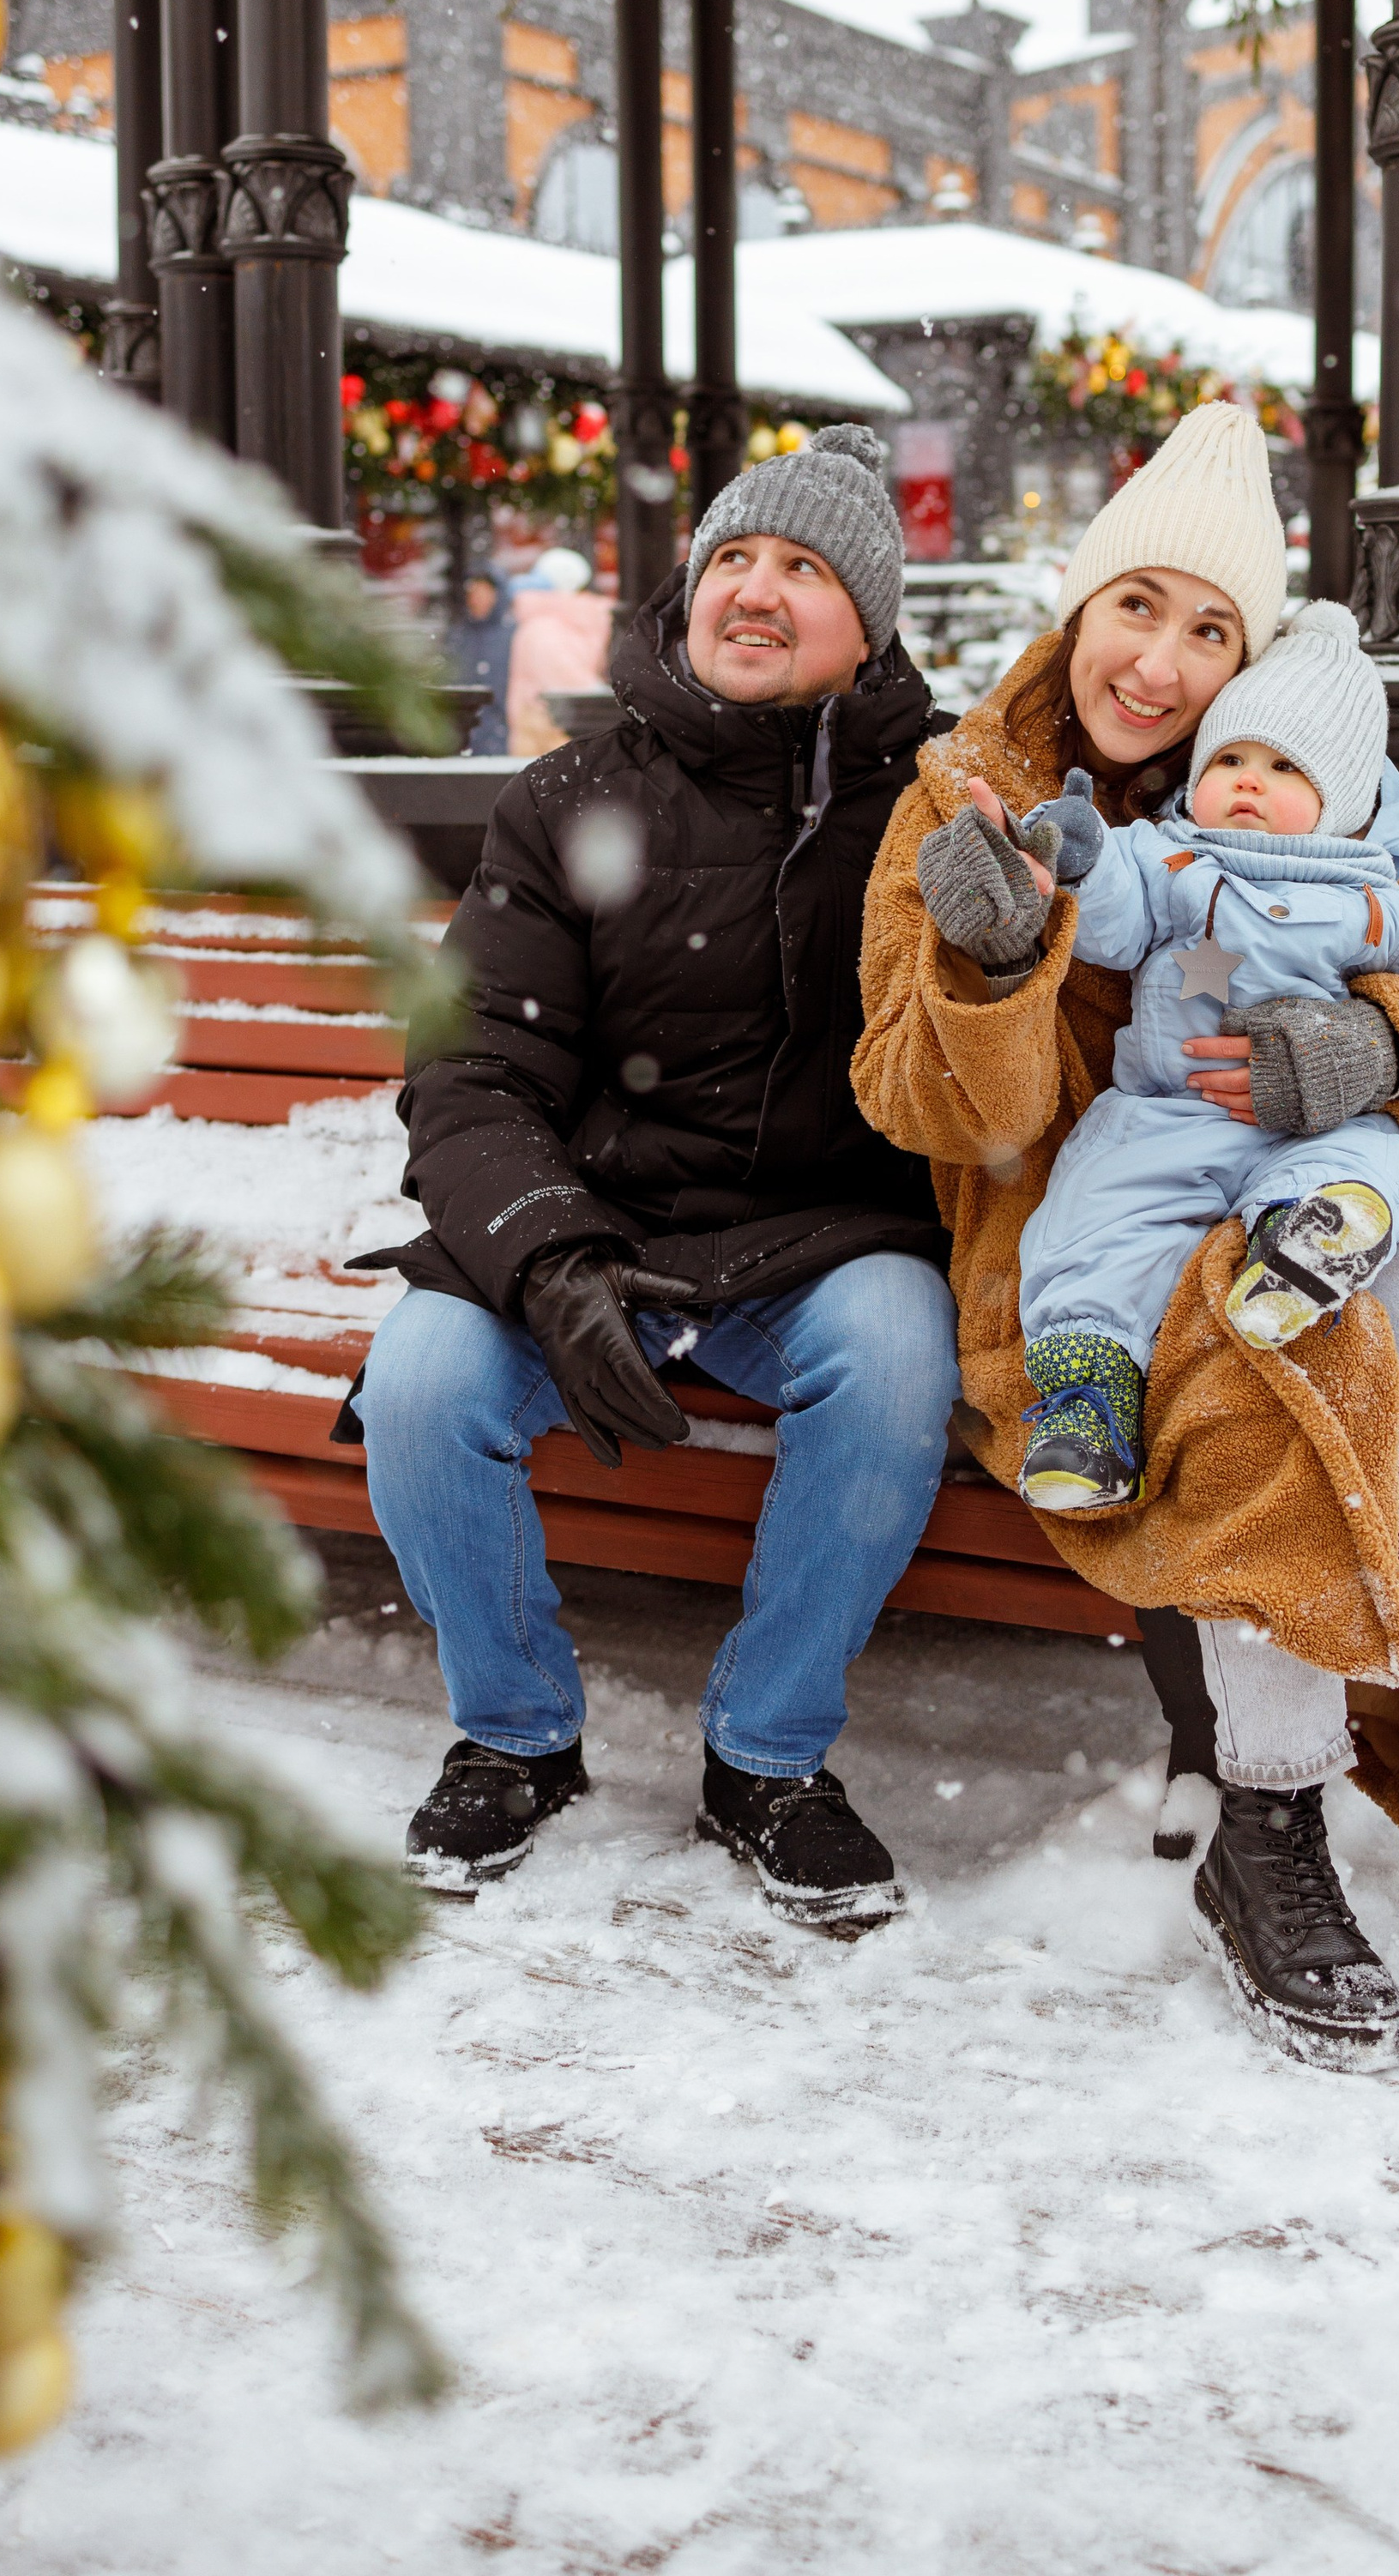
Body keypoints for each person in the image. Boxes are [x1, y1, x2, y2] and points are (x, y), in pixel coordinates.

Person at [855, 399, 1399, 2156]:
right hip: (1076, 1269)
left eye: (1208, 631)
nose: (1159, 669)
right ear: (1073, 609)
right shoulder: (965, 805)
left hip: (1284, 1210)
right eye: (1133, 610)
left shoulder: (1294, 791)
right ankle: (1267, 1834)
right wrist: (995, 957)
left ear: (1255, 666)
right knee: (1272, 1379)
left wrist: (1364, 1066)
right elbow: (931, 1105)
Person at [357, 423, 960, 1935]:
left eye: (805, 569)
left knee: (896, 1355)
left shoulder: (932, 810)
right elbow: (473, 1066)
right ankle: (514, 1731)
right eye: (734, 559)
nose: (755, 592)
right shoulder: (569, 800)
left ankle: (765, 1757)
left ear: (869, 621)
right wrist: (548, 1258)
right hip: (595, 1222)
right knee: (424, 1380)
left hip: (822, 1242)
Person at [982, 602, 1399, 1514]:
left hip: (1313, 1129)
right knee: (1087, 1221)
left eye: (1285, 766)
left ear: (1346, 796)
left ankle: (1312, 1240)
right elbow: (1108, 933)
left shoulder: (1376, 904)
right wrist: (1084, 868)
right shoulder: (1170, 860)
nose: (1249, 782)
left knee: (1376, 1149)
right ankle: (1086, 1403)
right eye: (1230, 760)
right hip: (1168, 1117)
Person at [507, 544, 615, 759]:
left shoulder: (541, 625)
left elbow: (569, 683)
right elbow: (577, 685)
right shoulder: (576, 622)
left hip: (548, 727)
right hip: (556, 725)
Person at [444, 566, 515, 755]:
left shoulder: (512, 635)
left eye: (484, 592)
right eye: (473, 592)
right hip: (462, 733)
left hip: (502, 731)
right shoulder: (458, 635)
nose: (477, 598)